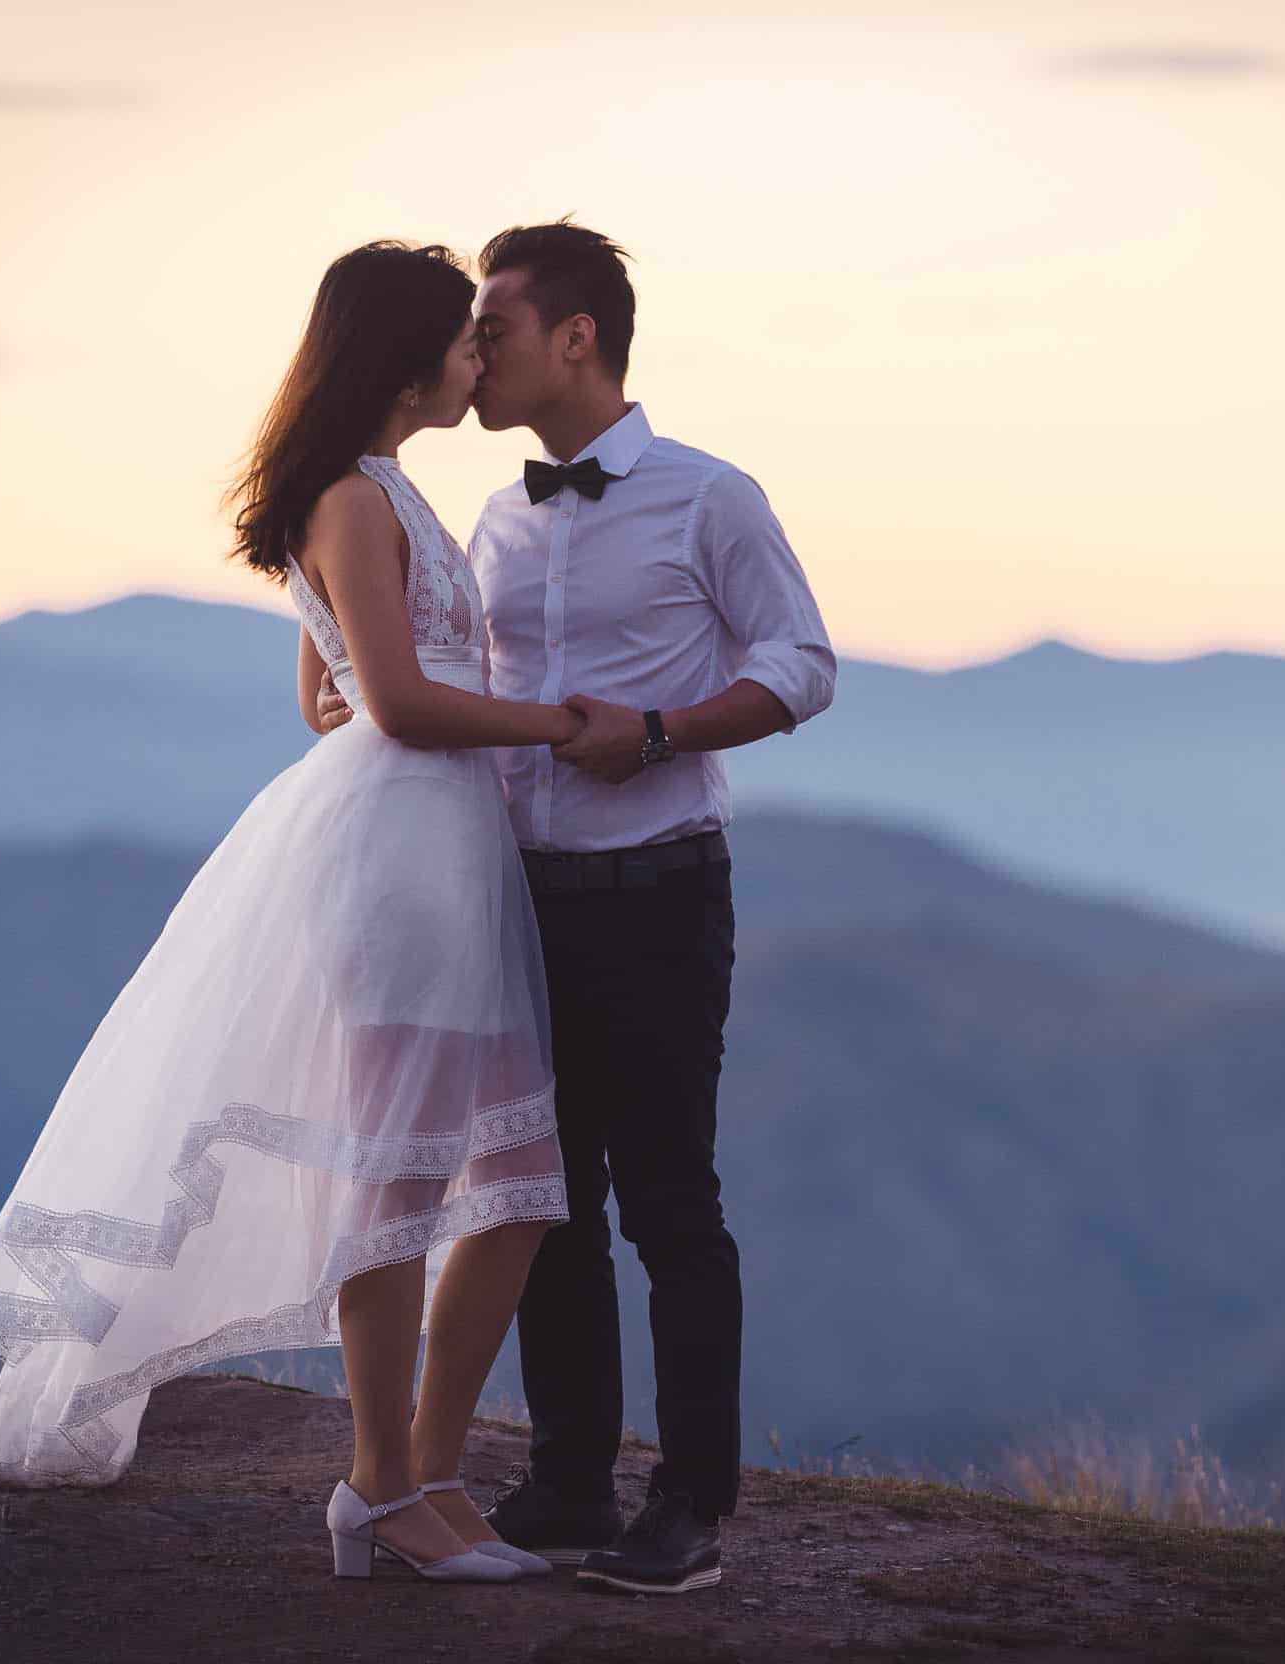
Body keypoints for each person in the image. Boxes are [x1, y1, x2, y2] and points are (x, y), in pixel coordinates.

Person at [0, 240, 578, 1585]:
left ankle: (420, 1475)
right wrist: (558, 724)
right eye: (467, 341)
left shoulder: (386, 493)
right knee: (407, 1178)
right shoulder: (352, 499)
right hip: (402, 854)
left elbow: (324, 694)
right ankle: (380, 1488)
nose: (482, 357)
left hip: (445, 845)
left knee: (509, 1183)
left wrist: (436, 703)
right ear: (412, 362)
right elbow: (390, 706)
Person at [314, 220, 836, 1595]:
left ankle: (692, 1505)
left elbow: (806, 664)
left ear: (577, 339)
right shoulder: (486, 514)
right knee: (535, 1191)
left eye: (495, 328)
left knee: (670, 1202)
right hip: (509, 894)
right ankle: (564, 1479)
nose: (475, 354)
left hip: (659, 890)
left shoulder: (709, 497)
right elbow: (412, 671)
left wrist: (660, 730)